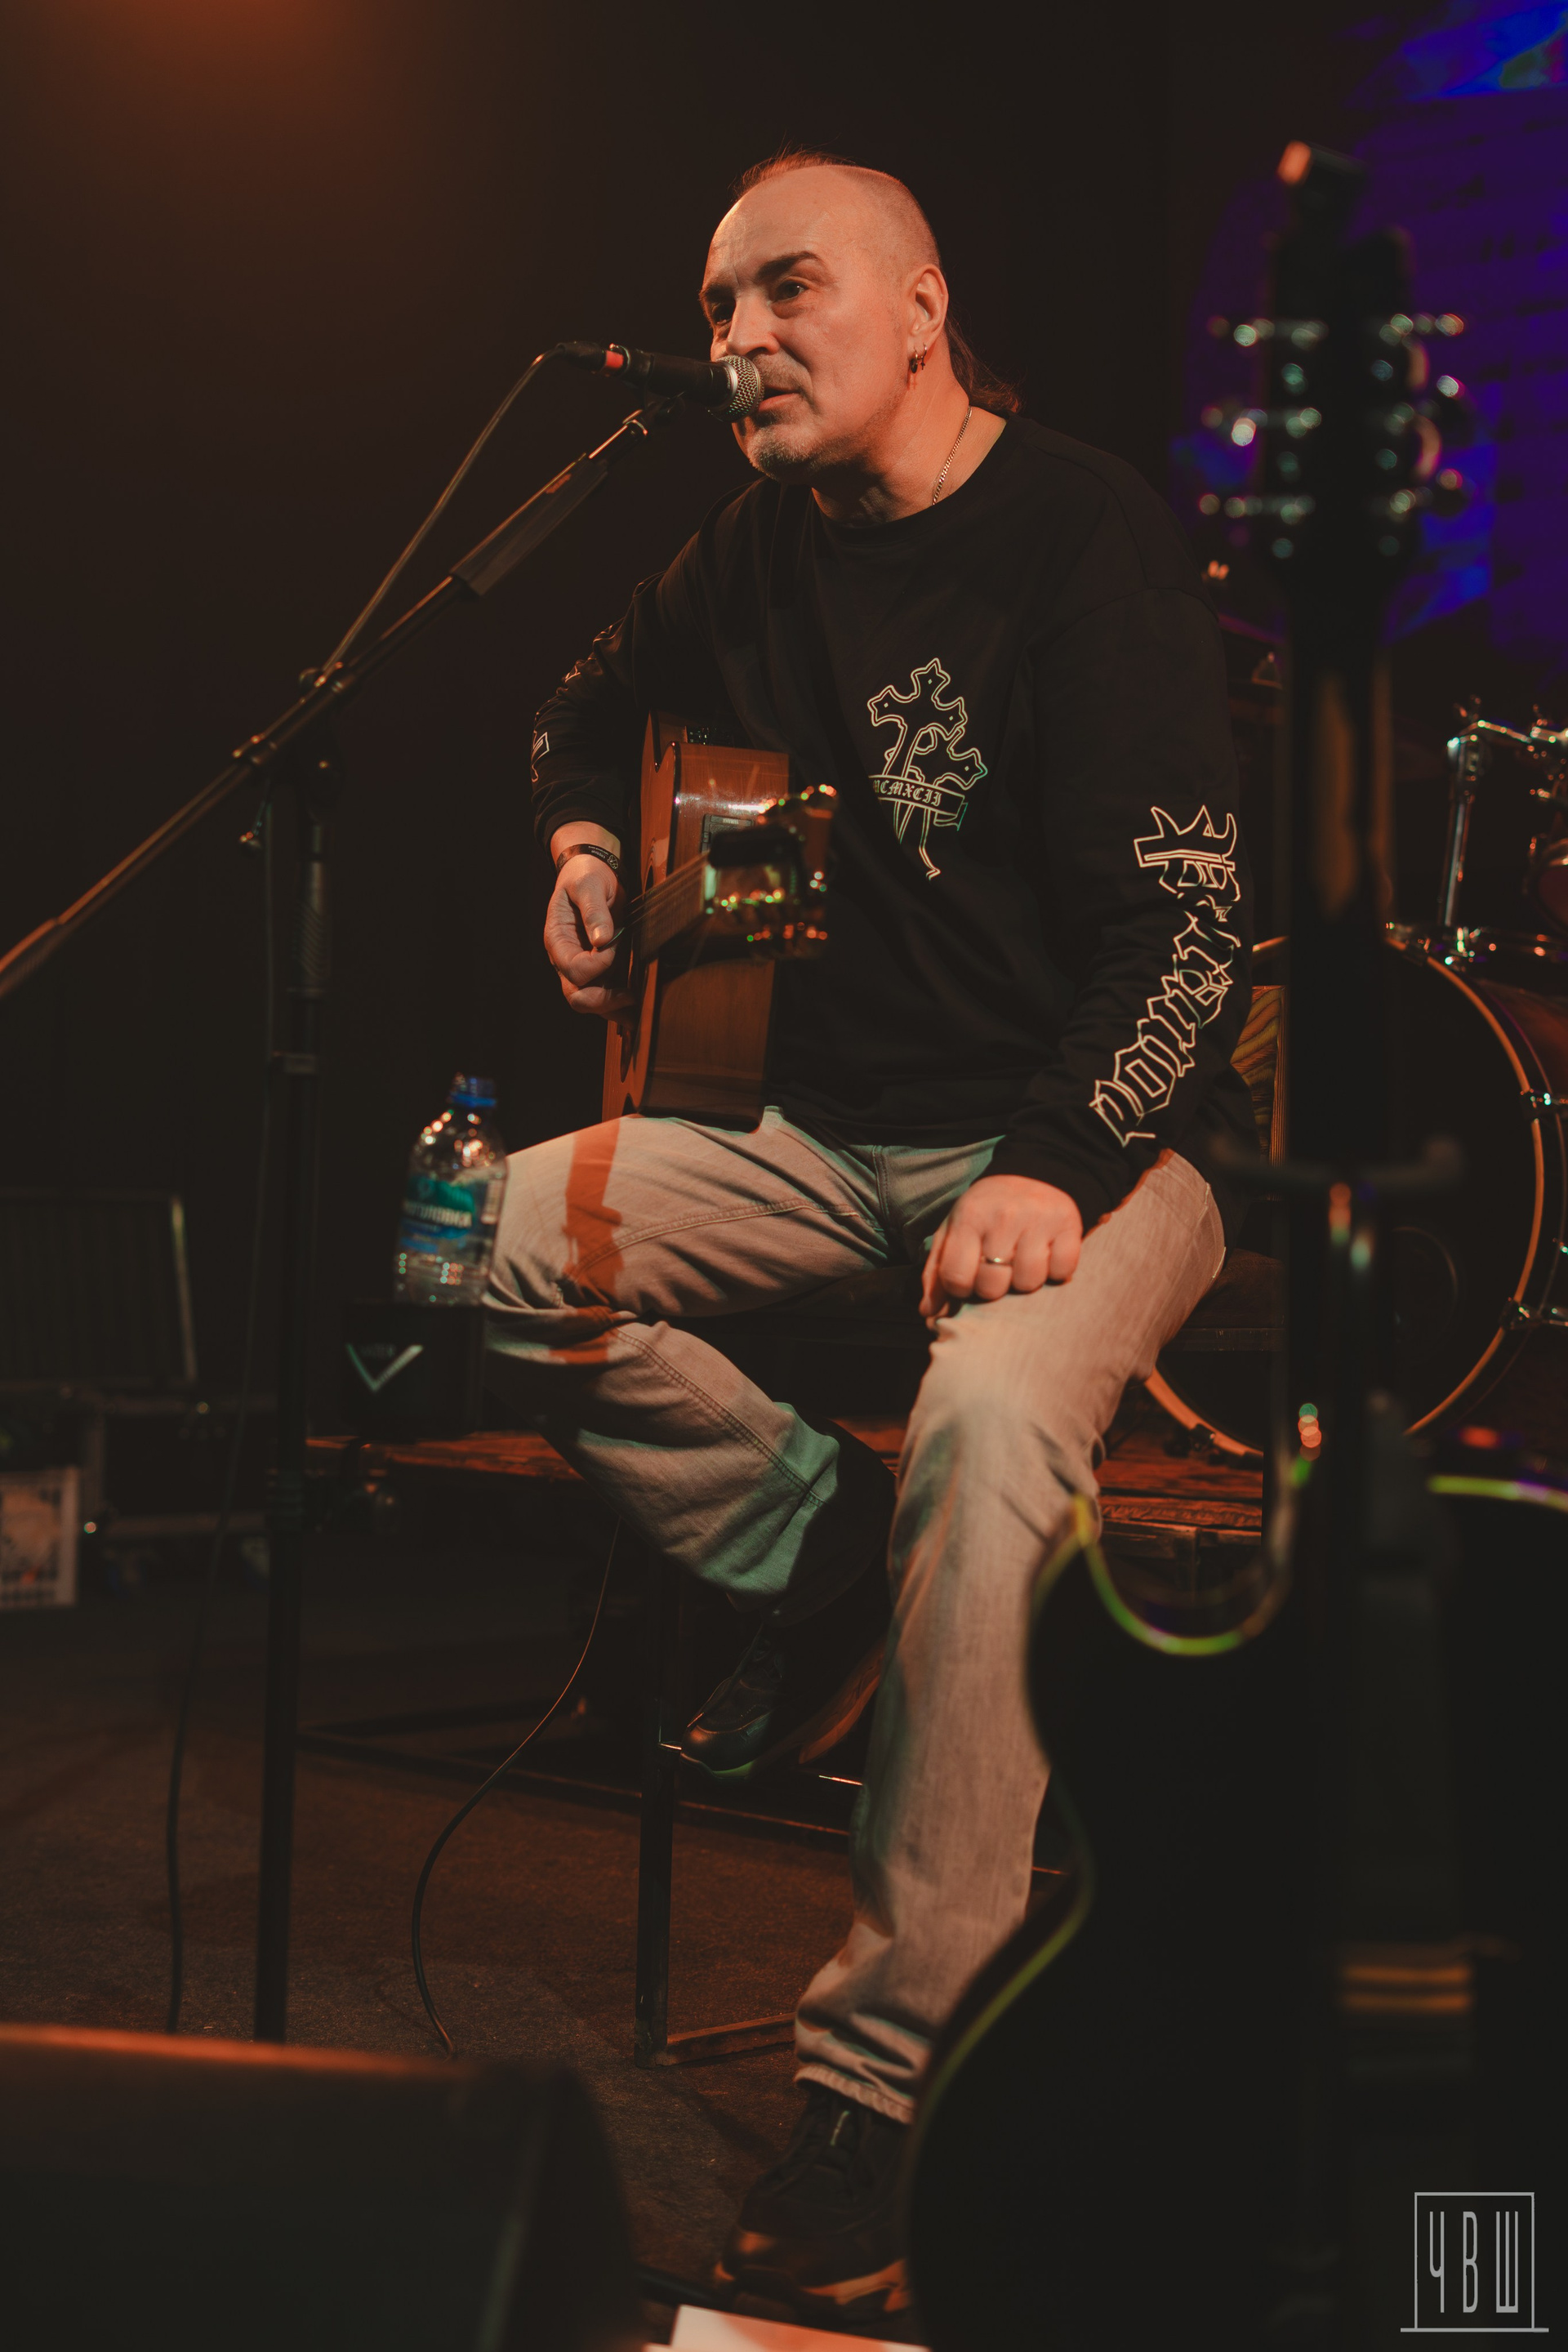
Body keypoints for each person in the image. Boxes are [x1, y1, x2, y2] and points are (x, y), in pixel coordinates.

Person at [488, 149, 1254, 2327]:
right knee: (486, 1238)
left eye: (786, 290)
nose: (739, 339)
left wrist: (1052, 1164)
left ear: (922, 307)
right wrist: (580, 843)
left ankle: (893, 2087)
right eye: (717, 307)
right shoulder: (751, 549)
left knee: (995, 1428)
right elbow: (575, 708)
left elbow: (1190, 930)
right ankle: (813, 1544)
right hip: (826, 1141)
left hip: (1108, 1143)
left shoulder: (1083, 533)